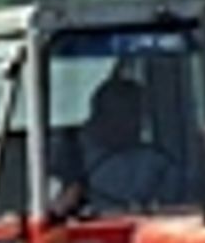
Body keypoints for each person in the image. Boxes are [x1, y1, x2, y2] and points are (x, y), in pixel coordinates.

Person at [51, 76, 181, 215]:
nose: (131, 122)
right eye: (120, 112)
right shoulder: (64, 154)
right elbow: (52, 211)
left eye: (135, 114)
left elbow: (177, 207)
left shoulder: (155, 164)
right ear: (98, 114)